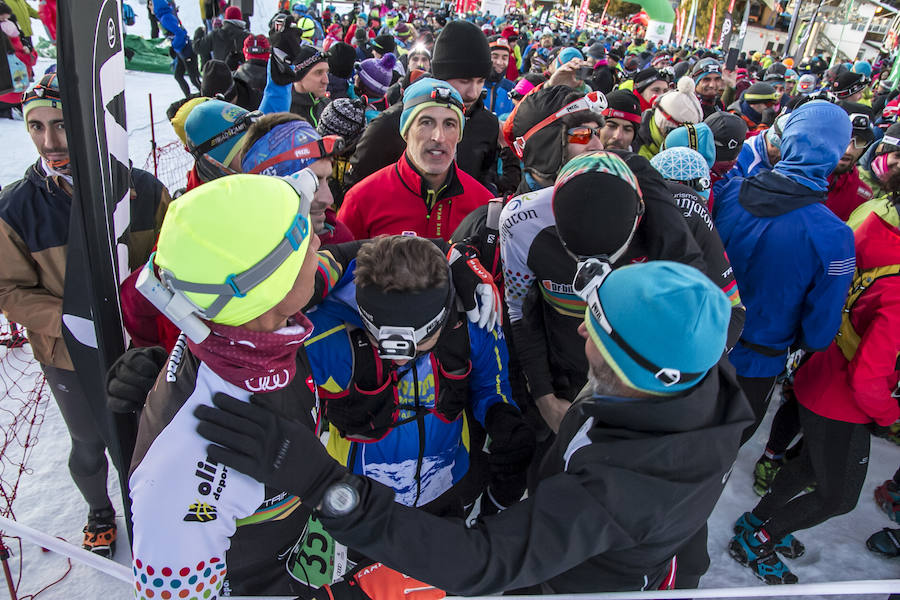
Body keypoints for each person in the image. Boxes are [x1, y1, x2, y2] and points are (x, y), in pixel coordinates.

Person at [194, 260, 754, 595]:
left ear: (632, 365)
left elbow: (483, 563)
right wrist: (445, 257)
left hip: (570, 582)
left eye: (596, 331)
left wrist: (323, 485)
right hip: (611, 541)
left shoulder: (621, 490)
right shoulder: (694, 362)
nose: (580, 332)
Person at [0, 73, 169, 557]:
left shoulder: (141, 188)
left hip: (143, 344)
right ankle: (100, 510)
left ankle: (155, 508)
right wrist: (73, 320)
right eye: (35, 126)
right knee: (90, 443)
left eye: (61, 125)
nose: (49, 141)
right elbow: (8, 289)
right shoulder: (16, 207)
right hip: (70, 354)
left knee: (151, 433)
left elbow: (175, 257)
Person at [729, 210, 900, 584]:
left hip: (820, 377)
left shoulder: (877, 240)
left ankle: (758, 521)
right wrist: (890, 414)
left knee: (810, 465)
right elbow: (870, 377)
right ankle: (758, 541)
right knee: (838, 496)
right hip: (844, 403)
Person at [713, 100, 856, 443]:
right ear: (835, 153)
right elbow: (820, 330)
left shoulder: (730, 191)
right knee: (717, 457)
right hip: (756, 366)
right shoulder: (835, 237)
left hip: (698, 345)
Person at [344, 20, 499, 191]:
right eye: (464, 81)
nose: (473, 92)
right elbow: (356, 189)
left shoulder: (487, 124)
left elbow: (484, 180)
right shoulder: (390, 124)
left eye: (480, 81)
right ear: (440, 75)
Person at [338, 78, 493, 240]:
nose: (439, 137)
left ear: (459, 135)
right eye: (426, 122)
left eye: (449, 124)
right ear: (405, 131)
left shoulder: (483, 204)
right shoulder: (361, 199)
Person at [633, 76, 703, 160]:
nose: (686, 141)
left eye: (691, 134)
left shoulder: (692, 147)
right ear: (664, 127)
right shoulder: (635, 150)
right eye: (677, 133)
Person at [826, 107, 875, 221]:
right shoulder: (796, 178)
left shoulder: (864, 196)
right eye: (843, 138)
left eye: (859, 141)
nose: (848, 150)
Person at [154, 0, 201, 97]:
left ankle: (207, 96)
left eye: (151, 5)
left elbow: (180, 33)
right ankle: (188, 97)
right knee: (178, 75)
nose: (150, 8)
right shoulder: (166, 16)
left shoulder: (165, 18)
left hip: (186, 50)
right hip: (181, 51)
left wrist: (175, 45)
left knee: (194, 79)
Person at [193, 4, 250, 70]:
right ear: (240, 20)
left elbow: (198, 48)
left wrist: (199, 32)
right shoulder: (247, 36)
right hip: (240, 76)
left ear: (225, 18)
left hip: (220, 74)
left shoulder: (215, 34)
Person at [483, 36, 515, 117]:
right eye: (494, 57)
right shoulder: (473, 86)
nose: (500, 62)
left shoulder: (511, 88)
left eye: (504, 58)